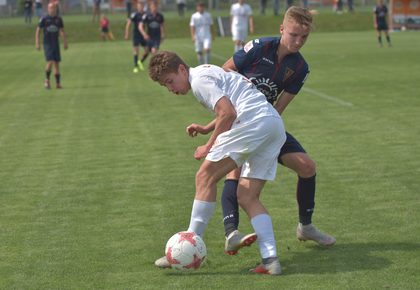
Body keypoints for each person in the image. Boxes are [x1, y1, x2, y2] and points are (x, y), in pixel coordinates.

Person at [150, 51, 286, 275]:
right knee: (248, 196)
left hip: (252, 123)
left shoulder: (199, 80)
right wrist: (206, 128)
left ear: (182, 70)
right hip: (273, 125)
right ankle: (271, 260)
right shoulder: (207, 71)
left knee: (204, 176)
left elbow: (228, 113)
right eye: (166, 86)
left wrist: (208, 146)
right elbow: (233, 103)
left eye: (170, 81)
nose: (171, 89)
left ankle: (188, 244)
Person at [220, 6, 336, 250]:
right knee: (235, 171)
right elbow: (225, 70)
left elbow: (279, 107)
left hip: (266, 123)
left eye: (304, 37)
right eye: (293, 34)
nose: (298, 41)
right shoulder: (259, 47)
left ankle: (305, 227)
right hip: (238, 122)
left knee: (307, 166)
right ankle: (231, 233)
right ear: (282, 29)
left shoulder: (300, 67)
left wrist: (262, 132)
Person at [35, 2, 68, 89]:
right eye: (51, 8)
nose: (52, 9)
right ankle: (47, 81)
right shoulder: (44, 19)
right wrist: (37, 42)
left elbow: (62, 30)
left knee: (56, 62)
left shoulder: (59, 19)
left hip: (55, 43)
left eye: (54, 8)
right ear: (48, 9)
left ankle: (58, 83)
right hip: (47, 43)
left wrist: (65, 42)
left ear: (56, 9)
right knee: (50, 60)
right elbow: (38, 31)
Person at [125, 1, 149, 73]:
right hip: (136, 35)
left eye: (141, 6)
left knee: (147, 50)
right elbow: (128, 23)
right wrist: (127, 33)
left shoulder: (145, 15)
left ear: (143, 6)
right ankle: (135, 67)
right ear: (137, 7)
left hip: (143, 35)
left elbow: (148, 24)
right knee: (136, 50)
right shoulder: (134, 14)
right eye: (139, 6)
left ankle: (140, 62)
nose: (140, 7)